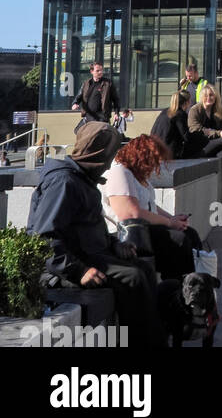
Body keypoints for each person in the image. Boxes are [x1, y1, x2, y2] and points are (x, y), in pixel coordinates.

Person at [26, 122, 164, 349]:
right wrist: (78, 271)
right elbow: (44, 238)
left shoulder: (81, 180)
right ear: (98, 155)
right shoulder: (64, 182)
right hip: (65, 267)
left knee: (145, 268)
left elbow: (87, 229)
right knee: (134, 277)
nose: (111, 163)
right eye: (109, 156)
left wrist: (113, 244)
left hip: (89, 255)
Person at [102, 134, 203, 281]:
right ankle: (177, 288)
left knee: (189, 233)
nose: (156, 167)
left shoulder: (136, 174)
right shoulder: (119, 172)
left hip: (145, 229)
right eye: (154, 161)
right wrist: (169, 223)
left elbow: (150, 205)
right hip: (126, 235)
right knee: (178, 240)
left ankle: (194, 282)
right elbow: (130, 213)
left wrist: (172, 218)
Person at [71, 60, 120, 128]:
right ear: (91, 71)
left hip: (102, 118)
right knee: (77, 131)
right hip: (88, 117)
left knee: (99, 136)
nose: (100, 72)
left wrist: (116, 113)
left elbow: (116, 99)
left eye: (101, 70)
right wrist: (75, 103)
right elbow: (79, 96)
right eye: (97, 71)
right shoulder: (86, 83)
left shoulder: (108, 84)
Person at [150, 90, 191, 159]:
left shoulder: (165, 112)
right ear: (187, 102)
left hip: (155, 151)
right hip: (169, 154)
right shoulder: (180, 114)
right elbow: (186, 136)